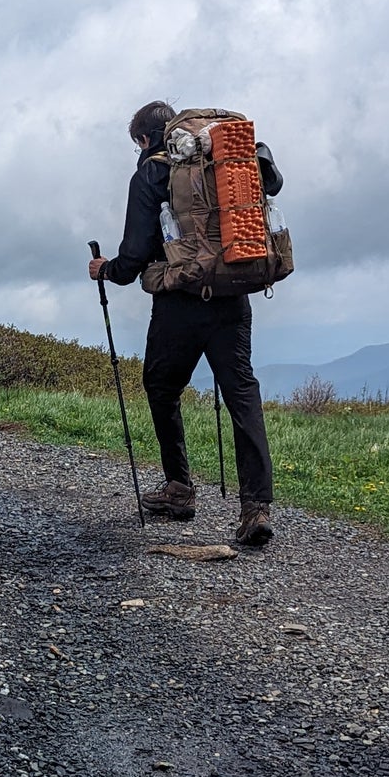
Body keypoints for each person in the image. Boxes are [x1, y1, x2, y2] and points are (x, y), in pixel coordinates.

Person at [90, 99, 276, 549]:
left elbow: (135, 255)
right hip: (234, 296)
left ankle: (179, 489)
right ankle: (256, 509)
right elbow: (274, 182)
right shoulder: (227, 157)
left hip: (179, 303)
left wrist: (106, 270)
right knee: (240, 393)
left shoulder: (153, 172)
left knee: (161, 385)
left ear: (143, 138)